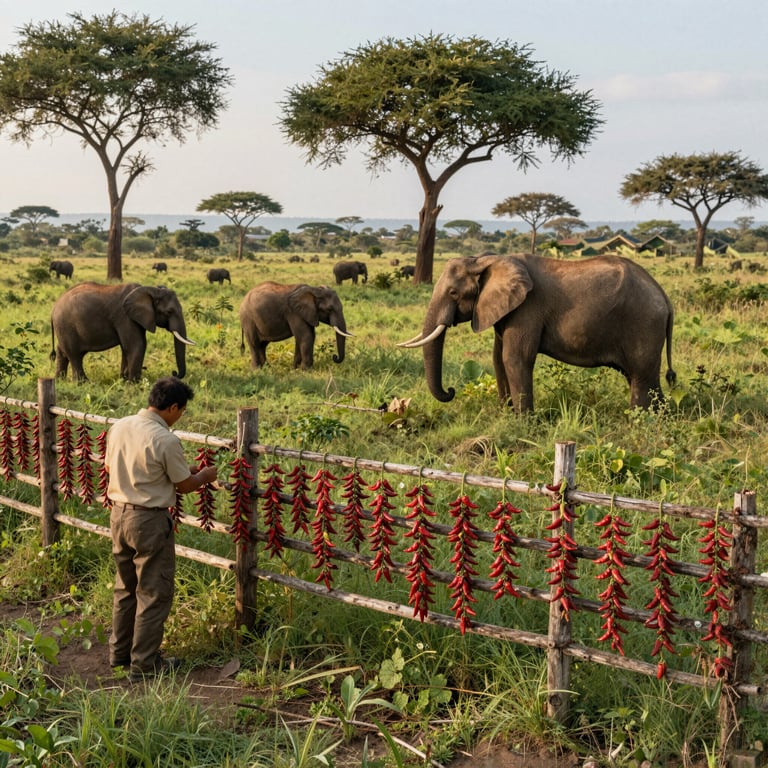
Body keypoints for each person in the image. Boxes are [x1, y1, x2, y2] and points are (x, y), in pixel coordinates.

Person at [105, 376, 218, 681]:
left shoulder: (121, 426)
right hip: (149, 521)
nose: (180, 416)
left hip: (118, 514)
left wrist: (183, 471)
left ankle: (120, 653)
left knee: (125, 587)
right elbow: (183, 486)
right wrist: (206, 475)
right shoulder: (165, 439)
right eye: (181, 411)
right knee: (153, 591)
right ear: (171, 407)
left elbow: (115, 466)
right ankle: (144, 663)